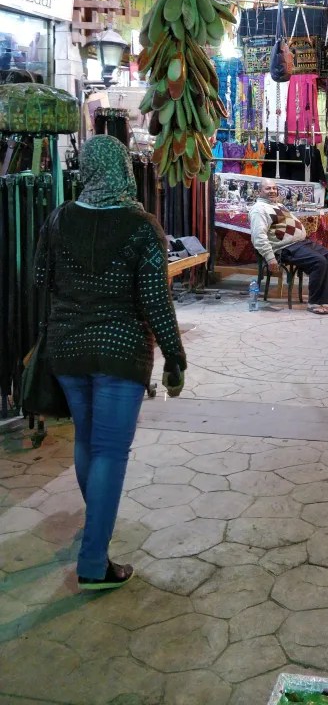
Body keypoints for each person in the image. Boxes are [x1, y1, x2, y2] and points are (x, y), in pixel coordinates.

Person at [33, 136, 186, 591]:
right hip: (120, 352)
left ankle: (95, 529)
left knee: (88, 440)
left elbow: (41, 280)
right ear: (123, 167)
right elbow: (156, 301)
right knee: (110, 451)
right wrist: (175, 360)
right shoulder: (142, 226)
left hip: (68, 348)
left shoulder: (60, 218)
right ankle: (94, 561)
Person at [249, 179, 328, 315]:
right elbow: (258, 237)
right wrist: (270, 258)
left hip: (299, 243)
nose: (272, 191)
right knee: (319, 261)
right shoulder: (259, 210)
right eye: (268, 189)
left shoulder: (277, 205)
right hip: (285, 248)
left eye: (274, 188)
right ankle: (315, 302)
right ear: (260, 191)